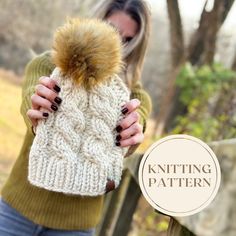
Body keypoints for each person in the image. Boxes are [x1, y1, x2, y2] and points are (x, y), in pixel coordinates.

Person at [0, 0, 152, 235]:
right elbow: (31, 101)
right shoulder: (49, 65)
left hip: (76, 227)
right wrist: (38, 106)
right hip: (16, 210)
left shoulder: (133, 95)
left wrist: (131, 131)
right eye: (111, 30)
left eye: (128, 40)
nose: (118, 45)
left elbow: (137, 121)